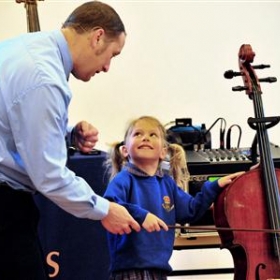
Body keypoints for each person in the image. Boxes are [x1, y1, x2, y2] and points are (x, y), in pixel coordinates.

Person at [0, 1, 140, 279]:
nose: (108, 67)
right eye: (113, 54)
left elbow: (13, 122)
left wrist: (68, 132)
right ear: (97, 37)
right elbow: (49, 175)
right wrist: (104, 210)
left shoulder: (27, 47)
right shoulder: (44, 78)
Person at [103, 115, 245, 280]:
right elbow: (110, 206)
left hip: (159, 269)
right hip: (131, 269)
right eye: (137, 134)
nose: (145, 138)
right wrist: (142, 216)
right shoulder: (123, 179)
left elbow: (191, 210)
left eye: (152, 135)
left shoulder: (167, 183)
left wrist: (216, 185)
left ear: (163, 151)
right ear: (124, 150)